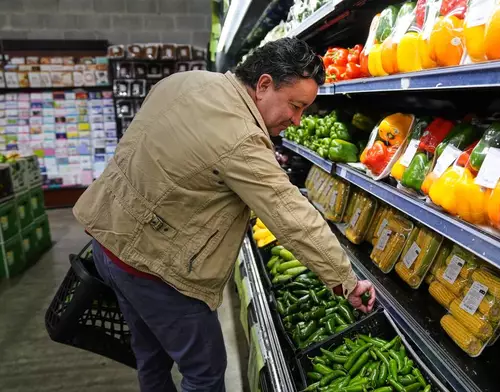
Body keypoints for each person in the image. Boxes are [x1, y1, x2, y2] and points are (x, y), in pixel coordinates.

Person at [73, 37, 376, 392]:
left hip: (110, 241)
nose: (296, 120)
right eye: (295, 106)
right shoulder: (241, 138)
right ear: (264, 85)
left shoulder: (187, 81)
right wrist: (346, 280)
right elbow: (292, 216)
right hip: (156, 270)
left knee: (151, 358)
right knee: (205, 373)